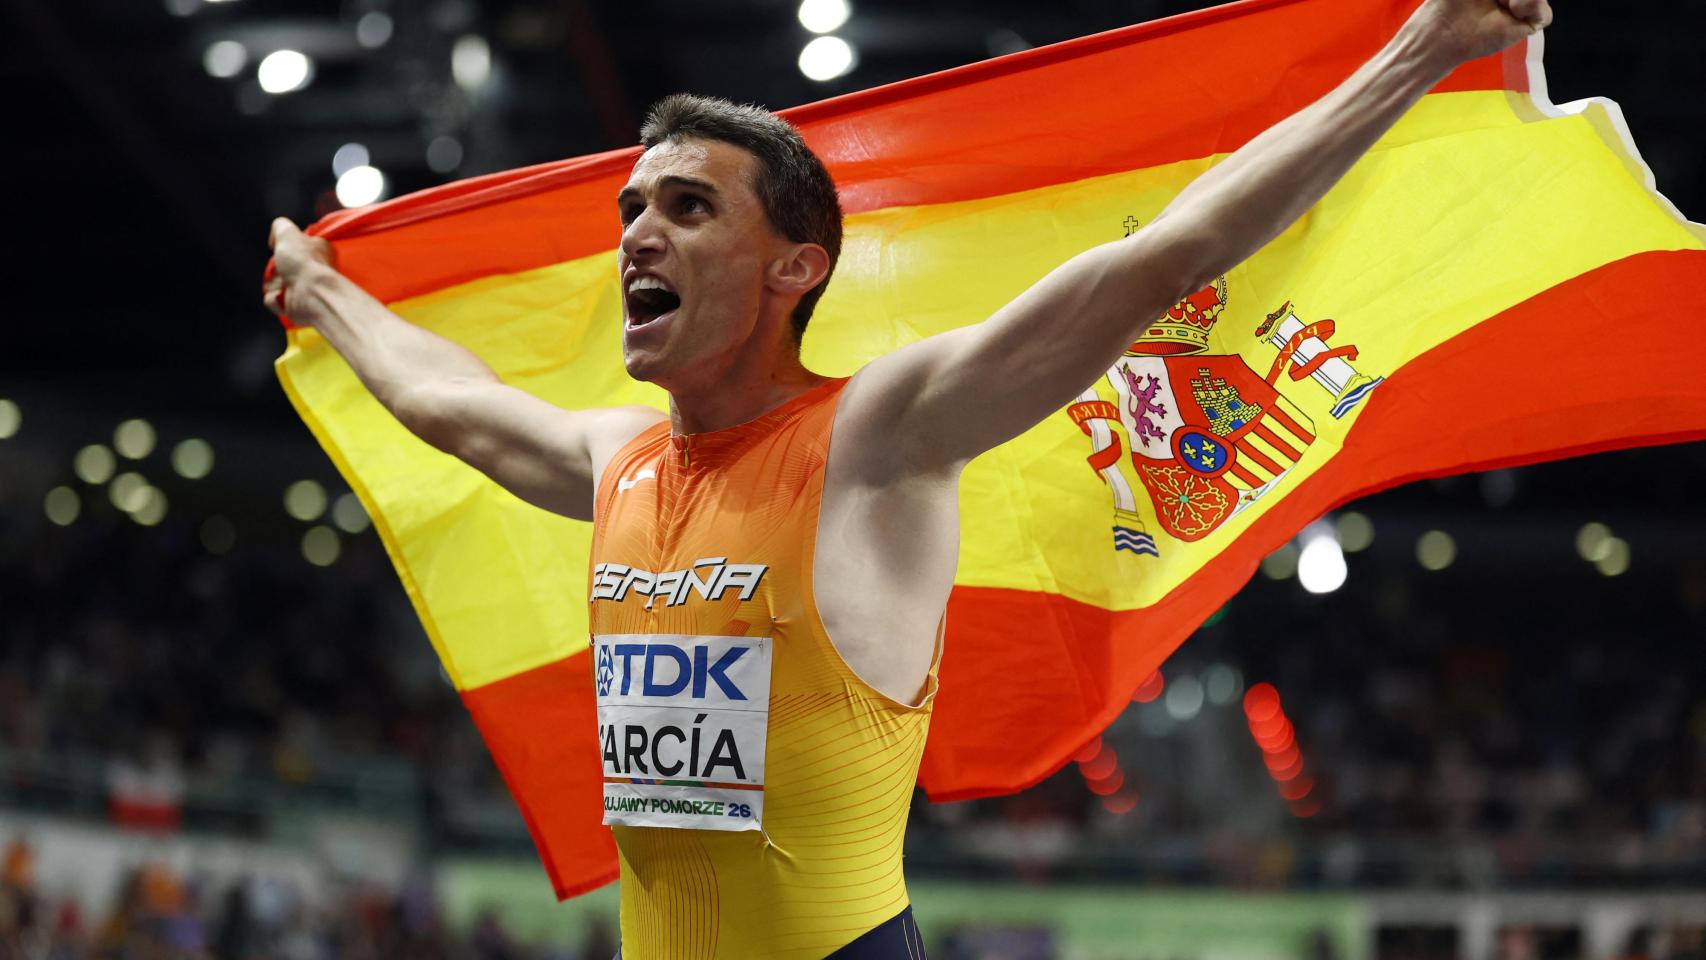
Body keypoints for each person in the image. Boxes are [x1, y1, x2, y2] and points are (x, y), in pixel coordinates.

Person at [263, 1, 1552, 955]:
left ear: (796, 268)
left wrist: (1423, 47)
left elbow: (1165, 259)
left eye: (689, 209)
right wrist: (326, 294)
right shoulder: (620, 460)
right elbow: (447, 402)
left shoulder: (879, 437)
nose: (639, 235)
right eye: (632, 211)